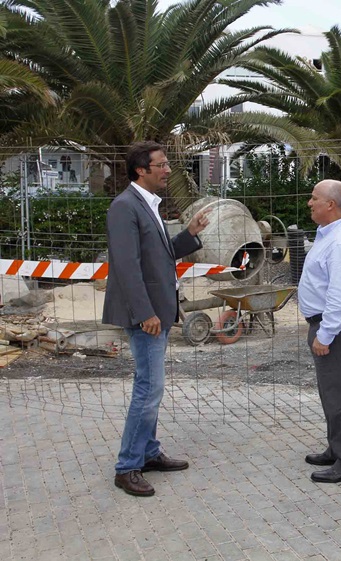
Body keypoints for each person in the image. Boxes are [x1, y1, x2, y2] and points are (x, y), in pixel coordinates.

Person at [104, 141, 210, 497]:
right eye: (161, 165)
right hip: (146, 315)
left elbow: (160, 255)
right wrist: (145, 312)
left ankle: (148, 453)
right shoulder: (124, 207)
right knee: (148, 390)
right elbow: (127, 267)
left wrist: (189, 234)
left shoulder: (147, 204)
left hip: (157, 311)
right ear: (141, 170)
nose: (168, 170)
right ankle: (127, 467)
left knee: (150, 388)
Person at [298, 179, 341, 483]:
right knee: (331, 392)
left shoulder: (339, 243)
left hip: (332, 327)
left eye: (314, 198)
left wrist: (324, 335)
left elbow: (339, 296)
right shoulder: (329, 235)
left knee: (339, 395)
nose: (309, 203)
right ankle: (338, 448)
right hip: (327, 324)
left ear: (330, 205)